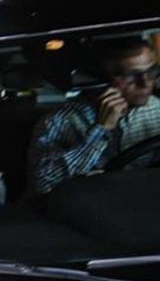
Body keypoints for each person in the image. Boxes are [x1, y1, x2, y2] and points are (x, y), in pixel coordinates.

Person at [29, 38, 160, 194]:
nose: (145, 83)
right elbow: (44, 182)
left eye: (152, 71)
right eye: (130, 75)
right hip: (82, 207)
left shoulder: (157, 109)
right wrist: (101, 129)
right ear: (100, 79)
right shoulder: (60, 121)